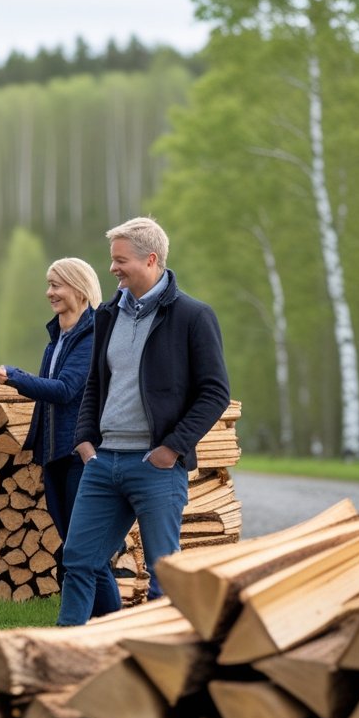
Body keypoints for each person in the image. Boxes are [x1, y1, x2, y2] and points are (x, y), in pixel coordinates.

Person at [57, 217, 230, 626]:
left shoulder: (193, 316)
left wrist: (172, 448)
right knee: (77, 560)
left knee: (163, 573)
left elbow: (215, 392)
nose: (112, 268)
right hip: (103, 462)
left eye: (120, 260)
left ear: (150, 259)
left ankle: (159, 649)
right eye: (112, 259)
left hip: (156, 466)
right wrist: (84, 439)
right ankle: (66, 644)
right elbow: (96, 383)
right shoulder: (106, 315)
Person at [0, 258, 118, 615]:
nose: (49, 292)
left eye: (57, 285)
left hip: (79, 456)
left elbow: (64, 390)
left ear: (80, 288)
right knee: (75, 545)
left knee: (84, 550)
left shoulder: (92, 336)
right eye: (49, 284)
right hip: (54, 455)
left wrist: (11, 376)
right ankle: (96, 625)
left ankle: (110, 624)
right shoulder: (57, 337)